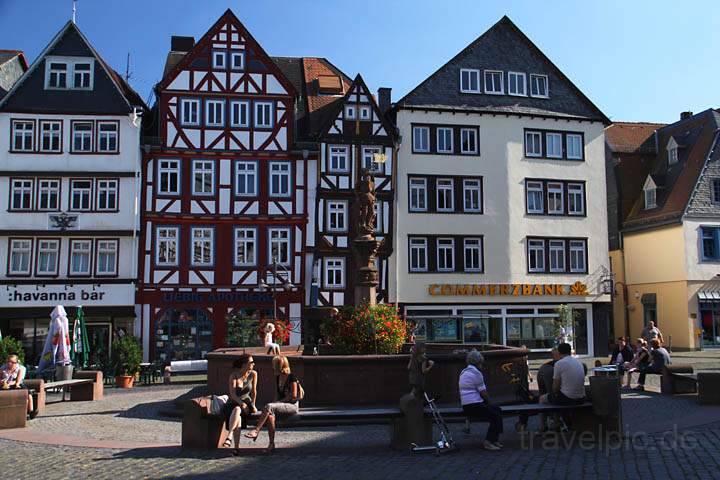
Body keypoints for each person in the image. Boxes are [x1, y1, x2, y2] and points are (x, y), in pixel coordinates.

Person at [244, 356, 300, 453]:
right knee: (270, 416)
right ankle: (271, 444)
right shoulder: (278, 377)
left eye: (275, 365)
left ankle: (256, 430)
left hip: (292, 406)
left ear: (280, 365)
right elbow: (276, 395)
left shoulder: (292, 377)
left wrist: (277, 403)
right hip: (281, 406)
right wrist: (275, 403)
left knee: (269, 406)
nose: (273, 367)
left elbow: (293, 396)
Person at [458, 350, 503, 450]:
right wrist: (490, 403)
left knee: (497, 410)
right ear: (479, 362)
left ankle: (494, 440)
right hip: (475, 405)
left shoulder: (463, 372)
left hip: (466, 405)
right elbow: (484, 393)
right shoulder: (477, 373)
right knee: (495, 416)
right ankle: (488, 442)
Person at [221, 355, 257, 455]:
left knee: (238, 412)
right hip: (233, 403)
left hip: (246, 403)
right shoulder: (234, 375)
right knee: (237, 412)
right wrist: (241, 404)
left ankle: (230, 437)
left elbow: (254, 391)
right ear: (244, 364)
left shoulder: (253, 374)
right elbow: (232, 394)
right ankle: (235, 447)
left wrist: (253, 404)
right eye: (251, 362)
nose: (253, 364)